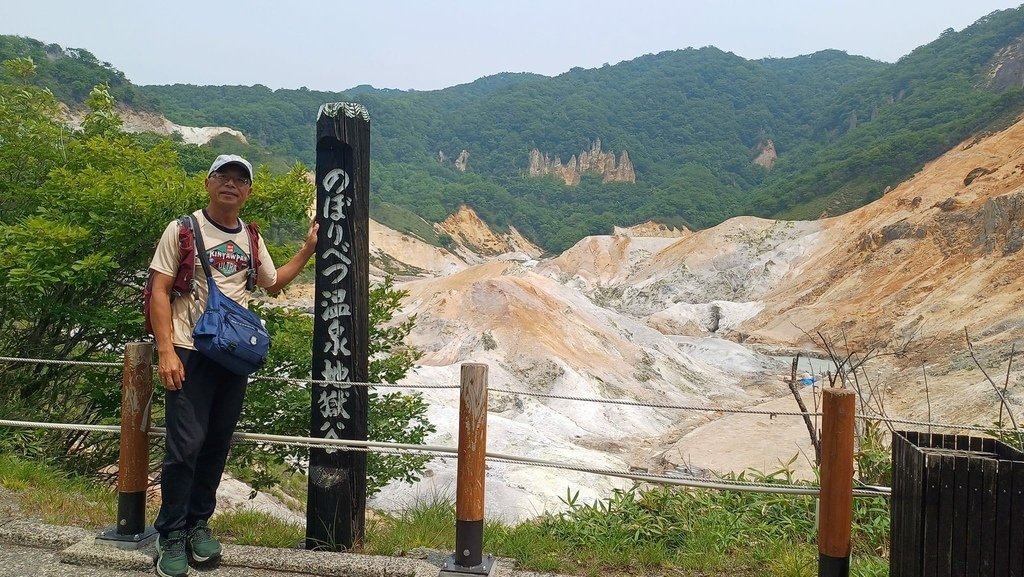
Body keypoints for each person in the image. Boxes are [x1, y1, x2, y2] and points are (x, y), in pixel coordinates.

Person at [148, 154, 317, 577]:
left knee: (216, 445)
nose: (231, 184)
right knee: (184, 446)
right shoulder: (183, 229)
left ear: (248, 191)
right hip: (189, 351)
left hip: (233, 357)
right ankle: (170, 533)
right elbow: (159, 291)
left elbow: (272, 284)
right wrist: (165, 351)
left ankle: (198, 525)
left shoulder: (251, 238)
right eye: (223, 176)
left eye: (240, 179)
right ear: (208, 183)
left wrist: (308, 250)